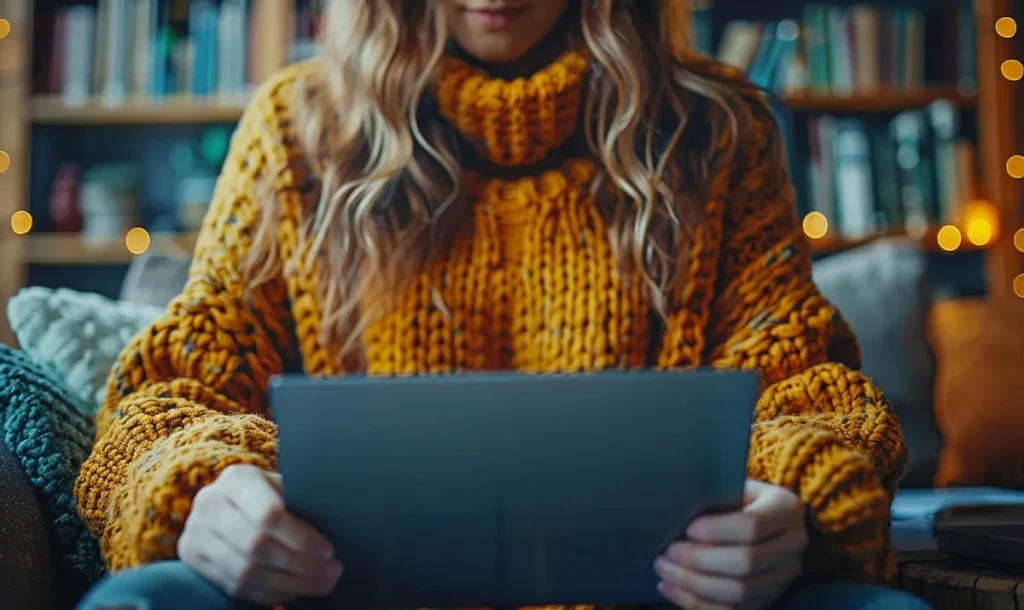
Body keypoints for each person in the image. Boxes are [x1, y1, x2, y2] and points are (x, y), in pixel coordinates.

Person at [74, 1, 928, 609]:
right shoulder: (297, 129)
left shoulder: (720, 128)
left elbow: (805, 387)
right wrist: (205, 496)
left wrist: (791, 509)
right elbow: (171, 392)